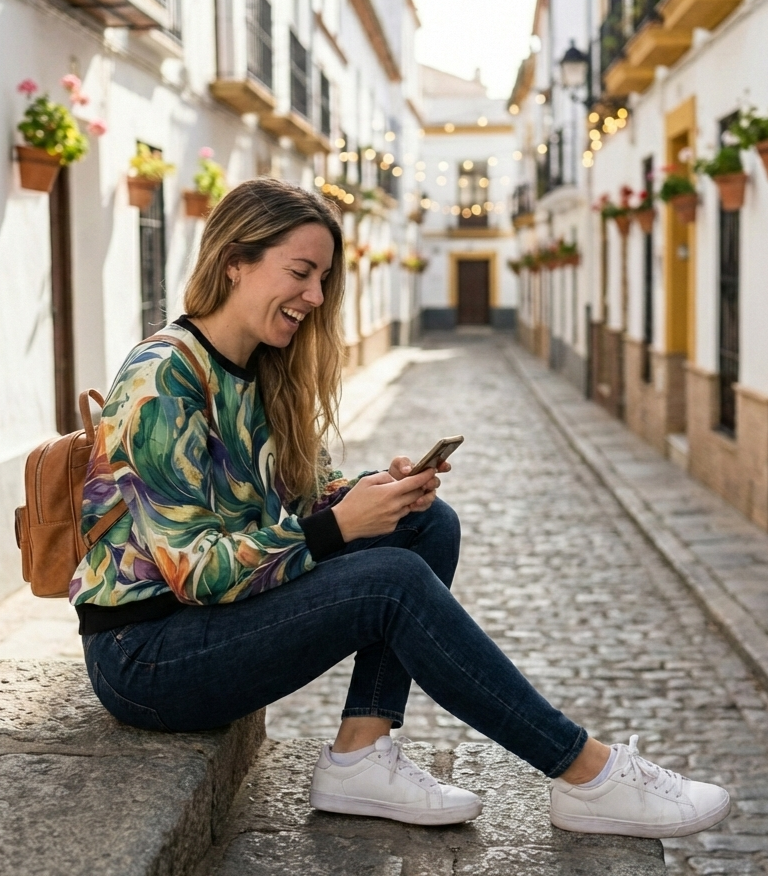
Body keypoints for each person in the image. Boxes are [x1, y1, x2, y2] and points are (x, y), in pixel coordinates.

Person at [72, 178, 730, 836]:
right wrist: (339, 527)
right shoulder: (164, 379)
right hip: (147, 656)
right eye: (300, 273)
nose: (315, 297)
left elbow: (306, 499)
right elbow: (197, 572)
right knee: (390, 582)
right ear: (234, 262)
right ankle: (587, 773)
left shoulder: (262, 369)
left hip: (204, 626)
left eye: (324, 278)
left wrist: (373, 492)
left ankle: (361, 755)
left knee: (424, 523)